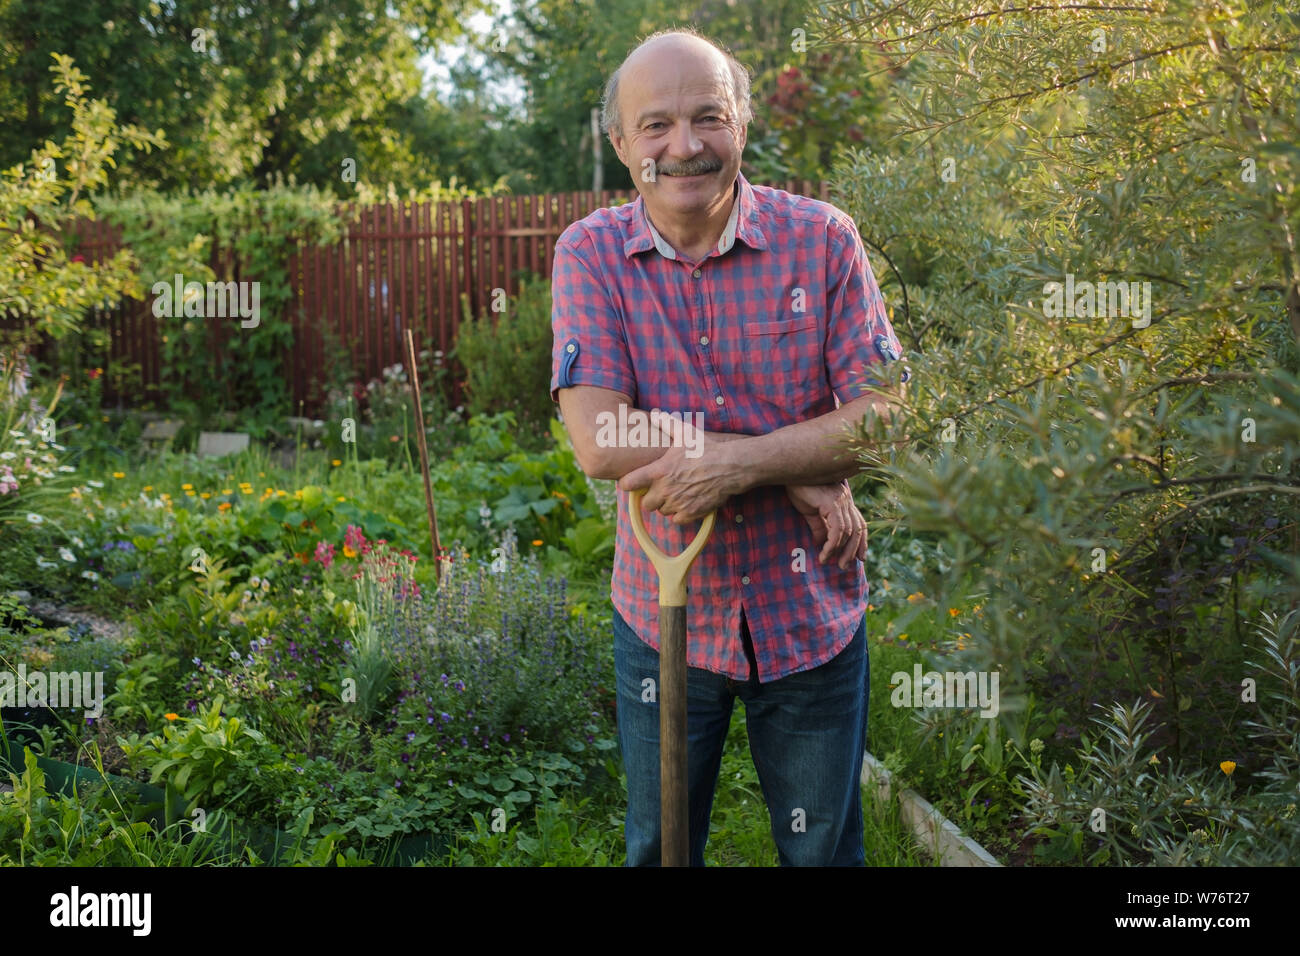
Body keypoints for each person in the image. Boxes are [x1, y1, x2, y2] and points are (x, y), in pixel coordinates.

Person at [550, 27, 909, 866]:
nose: (686, 146)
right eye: (656, 126)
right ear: (620, 143)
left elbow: (887, 414)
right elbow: (601, 438)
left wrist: (743, 465)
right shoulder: (592, 254)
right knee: (660, 848)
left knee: (822, 851)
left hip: (810, 609)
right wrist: (794, 464)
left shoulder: (822, 239)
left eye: (709, 117)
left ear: (742, 124)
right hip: (663, 608)